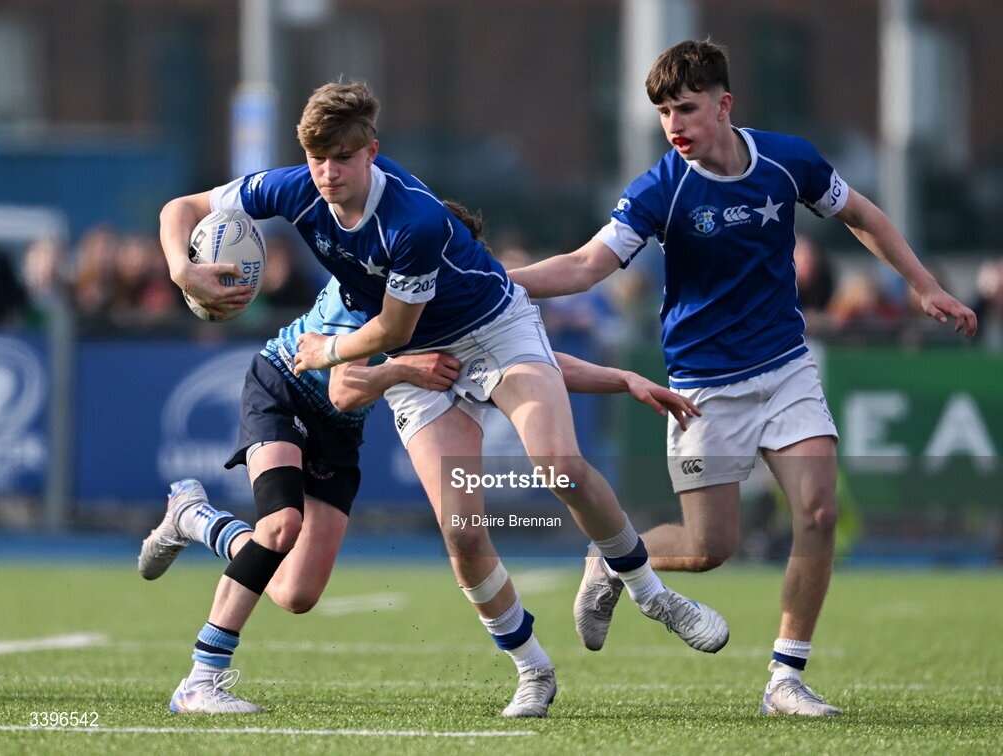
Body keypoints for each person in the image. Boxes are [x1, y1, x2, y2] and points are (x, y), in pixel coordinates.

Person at [157, 80, 723, 718]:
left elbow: (394, 331)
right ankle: (533, 670)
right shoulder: (294, 187)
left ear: (372, 151)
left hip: (492, 333)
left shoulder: (413, 220)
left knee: (559, 465)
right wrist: (181, 268)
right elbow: (182, 207)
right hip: (410, 363)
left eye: (342, 157)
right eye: (316, 156)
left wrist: (329, 353)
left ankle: (650, 593)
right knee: (462, 533)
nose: (327, 172)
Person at [507, 38, 978, 717]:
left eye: (687, 109)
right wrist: (498, 282)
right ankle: (612, 557)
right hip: (704, 386)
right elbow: (585, 266)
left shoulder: (788, 160)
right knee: (707, 550)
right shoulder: (660, 188)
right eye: (664, 112)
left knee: (818, 512)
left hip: (786, 368)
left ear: (724, 105)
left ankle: (785, 678)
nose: (675, 125)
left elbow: (862, 215)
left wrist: (925, 286)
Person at [141, 275, 702, 716]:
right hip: (283, 389)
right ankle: (200, 679)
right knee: (281, 527)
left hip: (341, 431)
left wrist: (623, 378)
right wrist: (404, 367)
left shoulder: (456, 294)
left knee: (294, 593)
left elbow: (536, 361)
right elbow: (342, 386)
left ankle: (196, 519)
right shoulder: (375, 291)